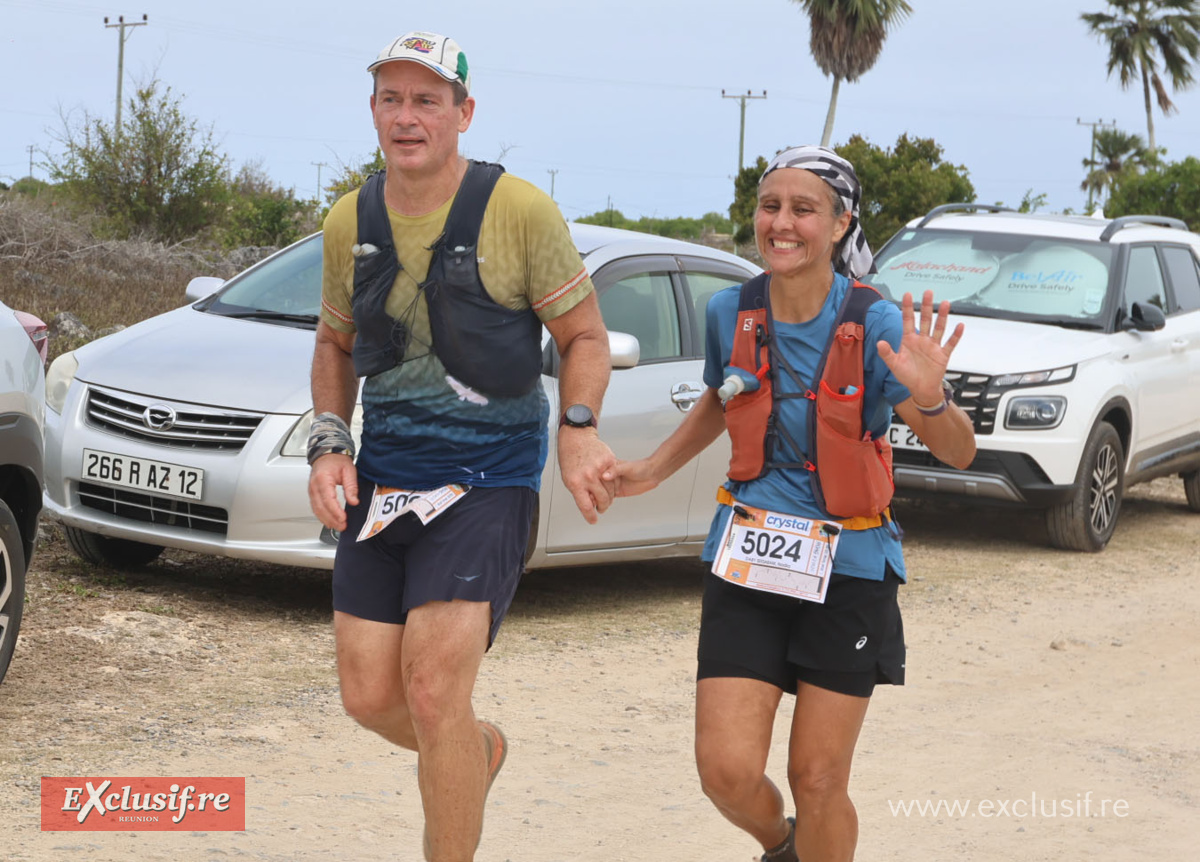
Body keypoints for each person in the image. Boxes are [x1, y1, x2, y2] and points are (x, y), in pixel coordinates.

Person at [610, 146, 977, 862]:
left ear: (840, 225)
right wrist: (650, 470)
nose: (781, 223)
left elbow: (957, 450)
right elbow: (726, 400)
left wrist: (929, 397)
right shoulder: (730, 311)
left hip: (851, 568)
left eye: (803, 209)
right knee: (726, 773)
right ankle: (783, 847)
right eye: (770, 206)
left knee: (816, 776)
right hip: (749, 558)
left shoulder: (876, 324)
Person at [307, 31, 616, 862]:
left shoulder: (517, 211)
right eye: (391, 99)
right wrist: (330, 442)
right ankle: (475, 754)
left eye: (427, 100)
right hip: (386, 481)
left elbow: (585, 337)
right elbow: (334, 345)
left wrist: (578, 430)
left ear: (463, 113)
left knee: (435, 691)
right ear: (373, 110)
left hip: (487, 481)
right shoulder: (352, 218)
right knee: (370, 696)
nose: (407, 118)